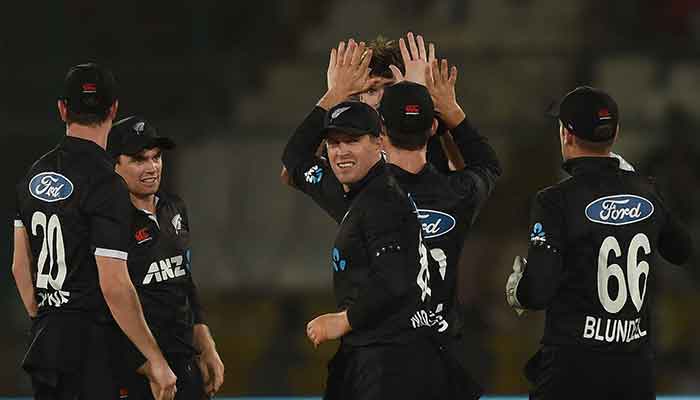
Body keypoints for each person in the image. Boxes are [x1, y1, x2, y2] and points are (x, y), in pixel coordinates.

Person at [283, 40, 450, 399]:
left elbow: (476, 172)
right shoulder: (354, 189)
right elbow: (294, 162)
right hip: (375, 343)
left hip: (419, 344)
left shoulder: (410, 177)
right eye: (368, 91)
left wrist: (416, 98)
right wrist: (335, 94)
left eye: (385, 90)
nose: (376, 100)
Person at [505, 86, 694, 400]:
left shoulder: (554, 201)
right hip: (635, 372)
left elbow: (536, 293)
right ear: (616, 133)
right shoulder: (646, 190)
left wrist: (517, 289)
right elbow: (681, 250)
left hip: (571, 371)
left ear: (566, 134)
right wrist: (642, 189)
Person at [12, 63, 176, 400]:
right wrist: (155, 358)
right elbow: (114, 284)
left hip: (46, 345)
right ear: (114, 109)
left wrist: (47, 318)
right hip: (92, 348)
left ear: (62, 109)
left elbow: (19, 267)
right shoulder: (107, 183)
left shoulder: (32, 175)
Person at [373, 33, 502, 397]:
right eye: (380, 91)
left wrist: (422, 107)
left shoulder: (435, 175)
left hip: (436, 345)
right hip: (383, 350)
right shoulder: (363, 174)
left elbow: (461, 169)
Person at [107, 116, 225, 399]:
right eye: (138, 160)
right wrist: (147, 364)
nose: (151, 168)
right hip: (138, 372)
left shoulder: (174, 208)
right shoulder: (107, 223)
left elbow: (184, 280)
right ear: (114, 164)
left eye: (156, 157)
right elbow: (105, 301)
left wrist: (206, 343)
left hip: (184, 362)